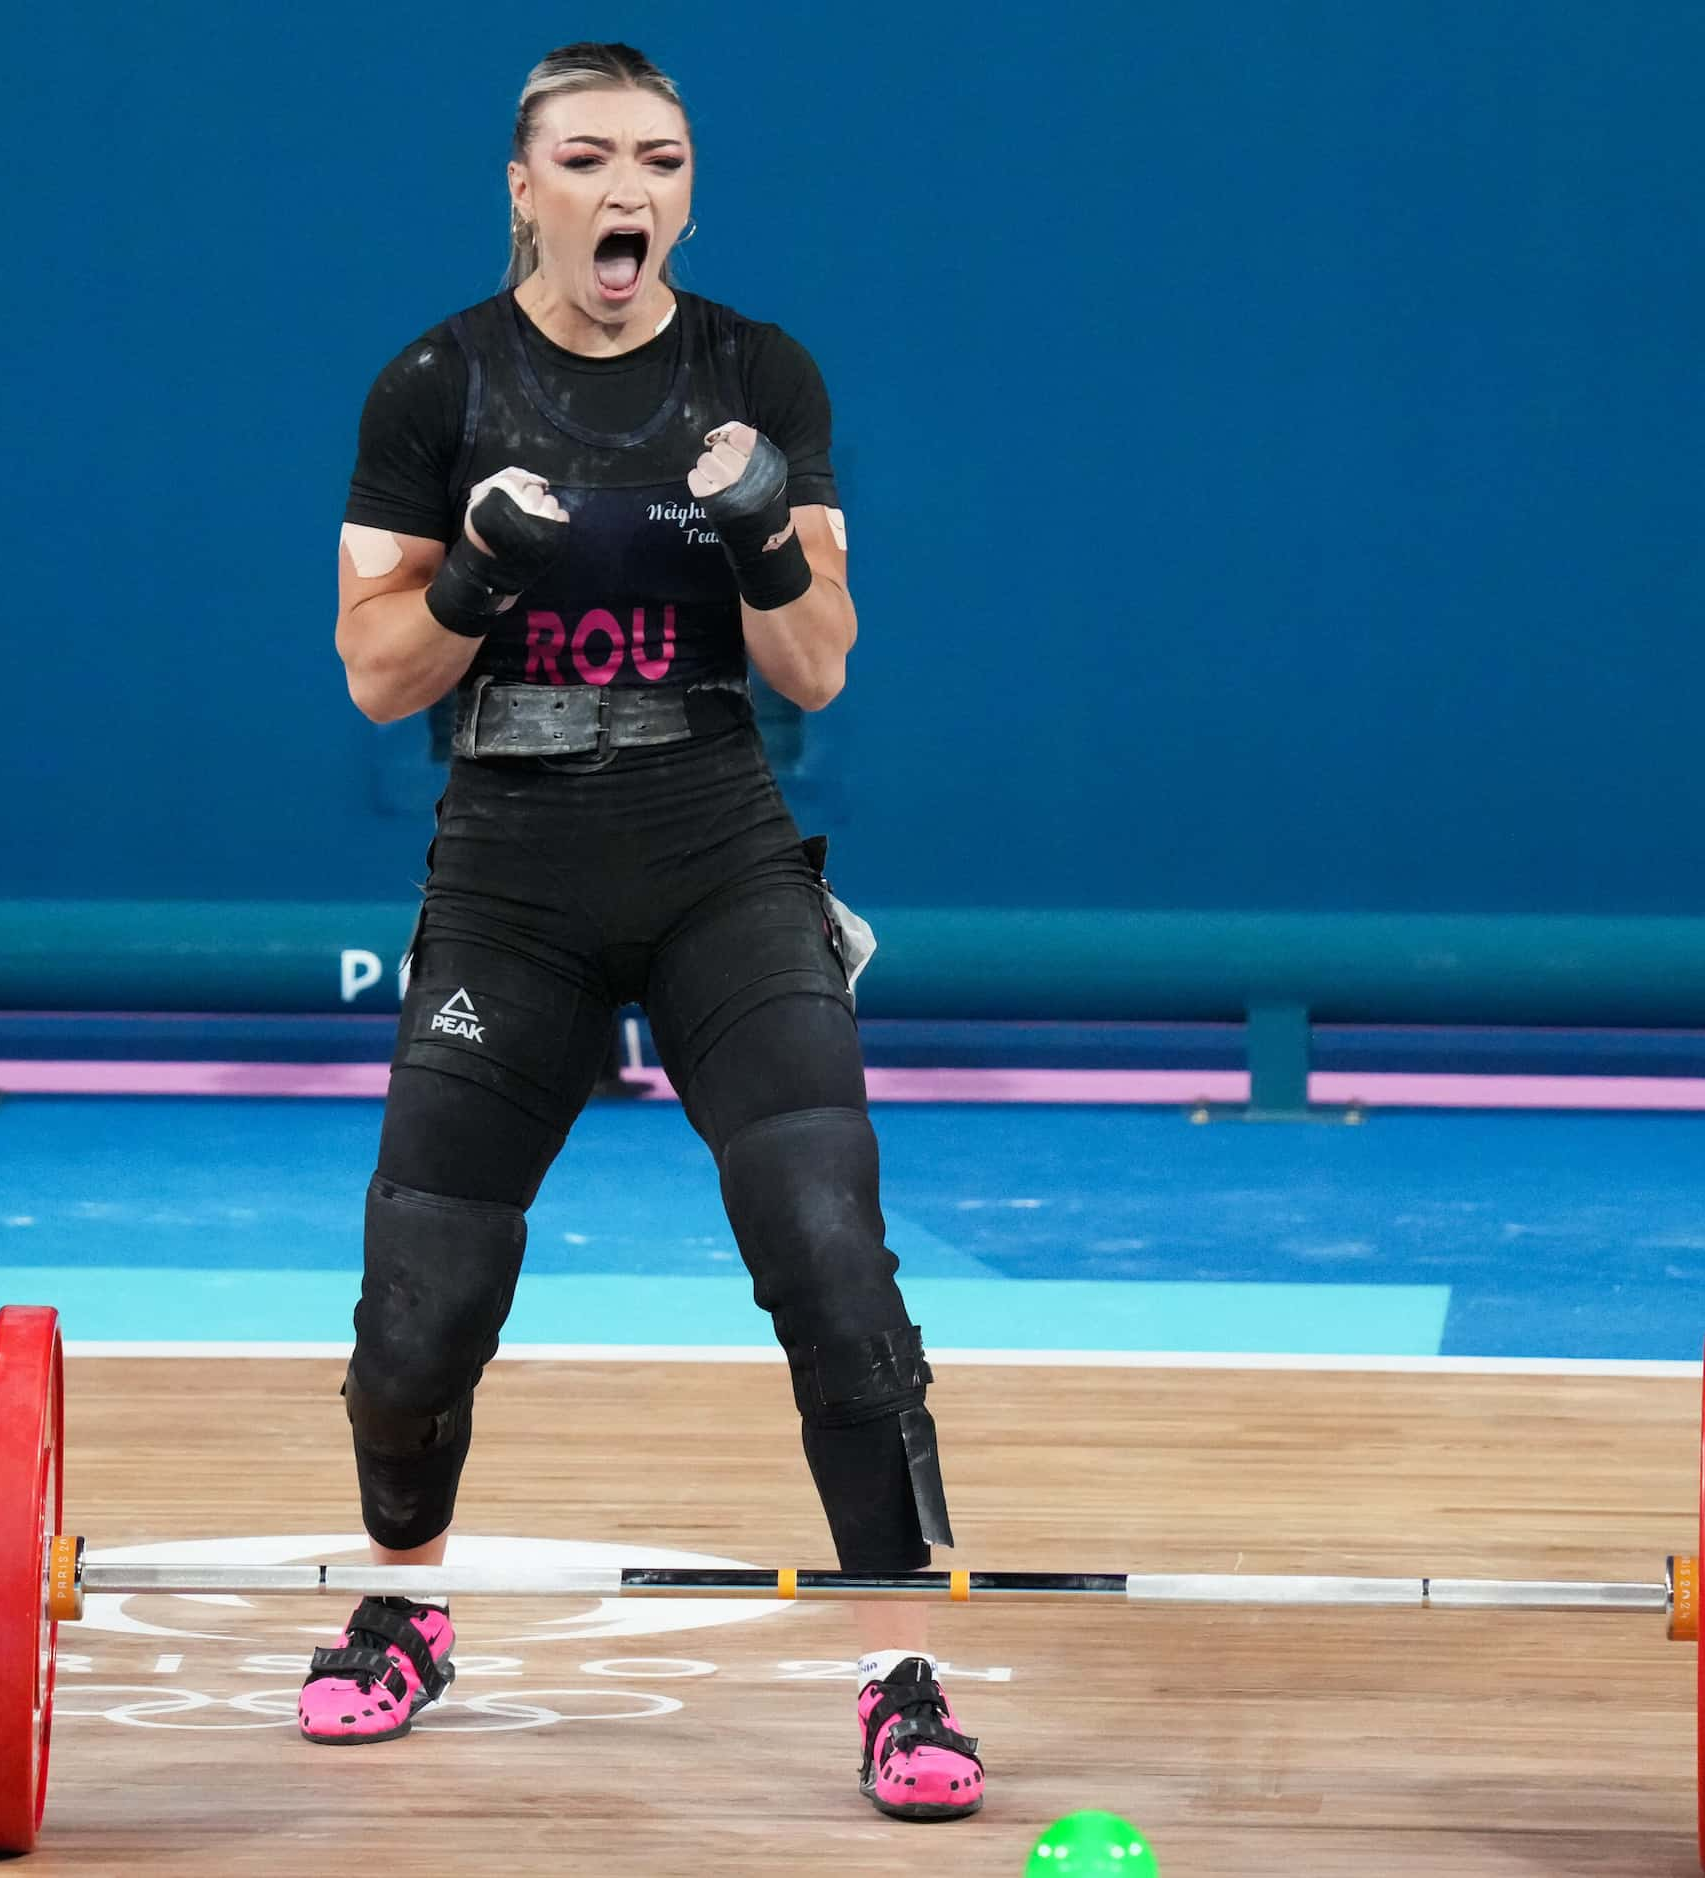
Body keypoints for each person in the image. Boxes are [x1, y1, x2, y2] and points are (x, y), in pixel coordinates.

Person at [304, 42, 984, 1822]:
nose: (632, 192)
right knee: (414, 1322)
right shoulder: (432, 385)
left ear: (687, 188)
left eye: (663, 160)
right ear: (522, 186)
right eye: (592, 158)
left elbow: (818, 663)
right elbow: (380, 678)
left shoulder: (760, 373)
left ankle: (902, 1660)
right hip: (511, 873)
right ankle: (408, 1604)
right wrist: (471, 577)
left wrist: (765, 533)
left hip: (716, 853)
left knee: (833, 1256)